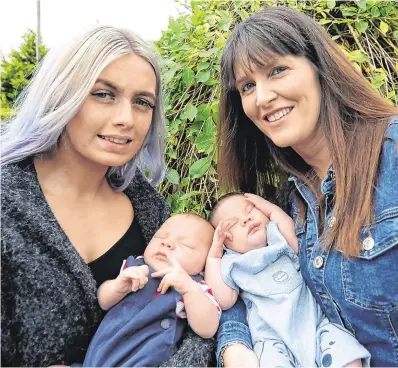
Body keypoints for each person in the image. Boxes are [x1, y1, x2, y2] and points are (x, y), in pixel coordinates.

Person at [1, 26, 214, 367]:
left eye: (142, 102)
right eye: (103, 94)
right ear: (61, 95)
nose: (125, 119)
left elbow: (192, 325)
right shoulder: (7, 206)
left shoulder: (149, 209)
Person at [215, 6, 398, 368]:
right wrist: (234, 345)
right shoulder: (286, 200)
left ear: (319, 67)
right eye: (247, 86)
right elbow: (252, 288)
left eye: (277, 70)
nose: (262, 97)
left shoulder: (391, 156)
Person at [206, 192, 370, 367]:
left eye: (251, 210)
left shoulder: (277, 236)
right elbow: (224, 301)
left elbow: (298, 241)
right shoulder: (231, 262)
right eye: (232, 224)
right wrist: (214, 254)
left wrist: (271, 210)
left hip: (316, 325)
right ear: (225, 242)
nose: (246, 220)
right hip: (273, 340)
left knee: (345, 352)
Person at [83, 213, 221, 367]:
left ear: (204, 267)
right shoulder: (134, 267)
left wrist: (189, 289)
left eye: (186, 245)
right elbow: (102, 302)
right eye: (160, 237)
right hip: (98, 355)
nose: (167, 243)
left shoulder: (196, 287)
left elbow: (208, 329)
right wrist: (117, 287)